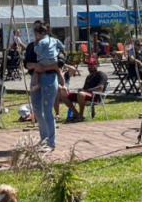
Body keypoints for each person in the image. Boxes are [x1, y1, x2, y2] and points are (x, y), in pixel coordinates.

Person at [23, 20, 61, 150]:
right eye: (34, 30)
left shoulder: (52, 43)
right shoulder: (31, 46)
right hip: (35, 77)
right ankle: (44, 138)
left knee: (47, 110)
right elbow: (26, 64)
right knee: (37, 109)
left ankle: (51, 142)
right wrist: (35, 66)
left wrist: (45, 67)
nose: (36, 33)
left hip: (49, 77)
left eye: (38, 31)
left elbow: (60, 62)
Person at [63, 57, 108, 122]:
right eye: (88, 65)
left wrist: (85, 91)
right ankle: (75, 113)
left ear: (96, 65)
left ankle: (80, 115)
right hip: (84, 95)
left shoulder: (101, 75)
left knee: (81, 94)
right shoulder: (89, 76)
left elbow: (100, 88)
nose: (89, 67)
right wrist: (82, 89)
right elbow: (85, 89)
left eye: (91, 65)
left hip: (95, 96)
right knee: (63, 94)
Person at [29, 23, 65, 94]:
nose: (35, 36)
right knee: (59, 71)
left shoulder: (41, 41)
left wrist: (35, 45)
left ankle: (36, 85)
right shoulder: (54, 40)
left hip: (44, 60)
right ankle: (64, 85)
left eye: (36, 34)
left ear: (42, 33)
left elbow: (37, 51)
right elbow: (62, 47)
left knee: (36, 71)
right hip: (54, 59)